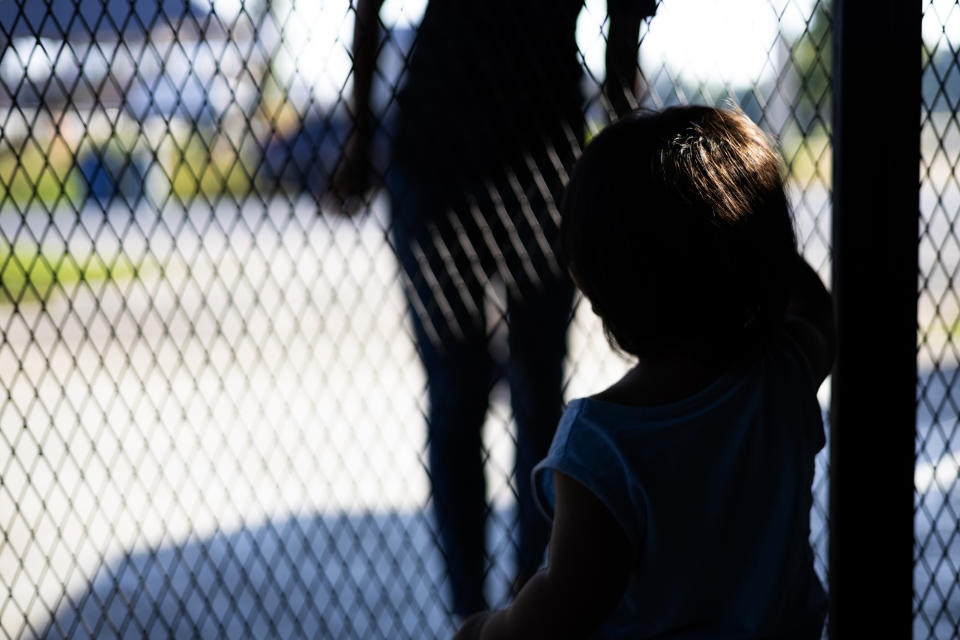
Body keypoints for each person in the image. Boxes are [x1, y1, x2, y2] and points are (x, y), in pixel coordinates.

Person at [453, 105, 834, 639]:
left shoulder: (603, 446)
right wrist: (753, 242)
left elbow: (563, 608)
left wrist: (484, 630)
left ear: (596, 293)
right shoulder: (782, 377)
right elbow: (816, 310)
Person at [333, 0, 658, 619]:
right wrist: (361, 131)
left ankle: (525, 602)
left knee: (515, 387)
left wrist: (363, 131)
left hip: (511, 139)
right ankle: (484, 610)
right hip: (475, 139)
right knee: (482, 388)